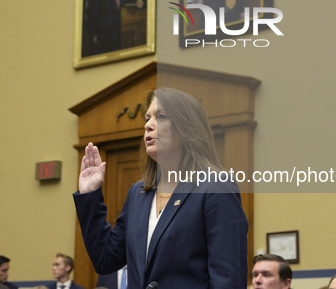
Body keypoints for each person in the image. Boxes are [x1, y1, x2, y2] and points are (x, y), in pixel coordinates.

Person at [74, 87, 248, 289]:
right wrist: (90, 195)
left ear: (187, 128)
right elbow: (106, 259)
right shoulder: (138, 194)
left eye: (161, 117)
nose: (148, 125)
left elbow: (228, 281)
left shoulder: (215, 188)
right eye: (147, 118)